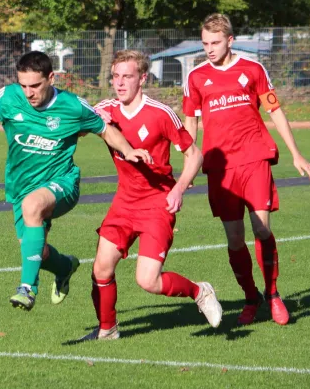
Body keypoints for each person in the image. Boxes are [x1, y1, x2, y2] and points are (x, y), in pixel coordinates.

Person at [0, 51, 152, 312]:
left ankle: (27, 288)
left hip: (63, 183)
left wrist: (128, 150)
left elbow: (104, 129)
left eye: (35, 85)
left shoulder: (72, 105)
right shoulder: (8, 98)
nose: (28, 93)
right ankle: (65, 267)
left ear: (51, 78)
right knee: (36, 252)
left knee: (33, 206)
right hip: (21, 188)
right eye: (23, 85)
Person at [182, 14, 310, 326]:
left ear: (230, 41)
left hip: (255, 159)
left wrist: (296, 154)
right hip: (220, 168)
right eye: (204, 43)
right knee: (234, 238)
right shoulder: (196, 77)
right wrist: (188, 165)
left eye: (215, 43)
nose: (209, 49)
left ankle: (273, 294)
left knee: (261, 228)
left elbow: (274, 109)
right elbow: (190, 122)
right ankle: (251, 297)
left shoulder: (253, 70)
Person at [80, 50, 222, 341]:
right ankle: (107, 330)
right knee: (101, 269)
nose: (120, 83)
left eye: (127, 76)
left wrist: (179, 188)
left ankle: (200, 291)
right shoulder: (106, 109)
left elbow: (194, 155)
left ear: (142, 78)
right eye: (116, 76)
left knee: (148, 280)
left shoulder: (161, 113)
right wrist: (93, 117)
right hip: (124, 201)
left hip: (158, 202)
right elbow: (79, 125)